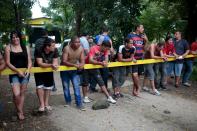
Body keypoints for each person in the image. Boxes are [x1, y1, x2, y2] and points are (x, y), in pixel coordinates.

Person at [5, 31, 32, 120]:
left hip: (25, 73)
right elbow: (8, 63)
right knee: (16, 94)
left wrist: (28, 69)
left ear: (20, 38)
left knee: (22, 93)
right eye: (13, 37)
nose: (15, 39)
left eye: (16, 37)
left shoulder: (26, 47)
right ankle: (20, 111)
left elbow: (29, 61)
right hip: (14, 73)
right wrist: (17, 71)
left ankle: (20, 112)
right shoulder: (8, 47)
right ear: (11, 38)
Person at [60, 36, 85, 110]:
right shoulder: (66, 48)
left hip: (74, 69)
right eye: (76, 42)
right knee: (66, 87)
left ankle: (79, 104)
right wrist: (75, 65)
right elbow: (64, 61)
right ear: (71, 43)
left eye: (79, 42)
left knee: (76, 86)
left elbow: (82, 60)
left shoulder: (81, 48)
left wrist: (81, 65)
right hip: (65, 69)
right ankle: (68, 101)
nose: (78, 44)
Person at [34, 38, 59, 112]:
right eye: (53, 46)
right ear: (47, 47)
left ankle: (46, 103)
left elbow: (55, 62)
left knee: (48, 87)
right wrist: (51, 65)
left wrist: (54, 65)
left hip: (49, 70)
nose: (54, 47)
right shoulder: (39, 50)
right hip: (39, 70)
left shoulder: (55, 50)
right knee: (39, 86)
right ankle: (41, 104)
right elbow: (40, 63)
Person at [90, 26, 114, 92]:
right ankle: (104, 88)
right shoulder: (108, 38)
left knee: (96, 73)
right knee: (105, 73)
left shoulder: (97, 37)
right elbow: (111, 49)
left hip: (96, 57)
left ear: (102, 30)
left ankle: (92, 88)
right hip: (104, 57)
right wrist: (112, 56)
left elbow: (93, 45)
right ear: (108, 31)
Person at [127, 24, 148, 96]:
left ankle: (134, 91)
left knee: (138, 76)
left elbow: (145, 49)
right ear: (137, 28)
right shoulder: (131, 35)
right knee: (134, 74)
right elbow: (127, 46)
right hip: (134, 58)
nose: (143, 29)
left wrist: (146, 40)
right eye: (142, 27)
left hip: (140, 58)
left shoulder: (143, 36)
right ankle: (138, 88)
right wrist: (131, 57)